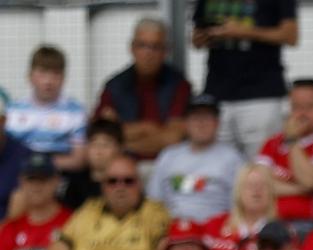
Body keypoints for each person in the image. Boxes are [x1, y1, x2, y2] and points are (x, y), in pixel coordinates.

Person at [192, 0, 298, 158]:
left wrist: (245, 32)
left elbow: (291, 35)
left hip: (262, 96)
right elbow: (196, 38)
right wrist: (207, 36)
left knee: (262, 166)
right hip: (217, 94)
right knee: (218, 167)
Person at [94, 18, 190, 161]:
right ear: (132, 48)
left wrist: (124, 142)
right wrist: (148, 128)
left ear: (166, 51)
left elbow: (173, 138)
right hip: (123, 168)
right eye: (142, 45)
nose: (148, 54)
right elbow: (102, 136)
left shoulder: (178, 85)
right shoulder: (115, 86)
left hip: (167, 165)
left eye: (156, 47)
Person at [255, 79, 313, 226]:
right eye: (297, 107)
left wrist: (293, 140)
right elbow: (258, 184)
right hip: (270, 221)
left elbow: (311, 182)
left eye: (310, 107)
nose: (302, 113)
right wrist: (300, 189)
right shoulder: (272, 142)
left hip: (309, 224)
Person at [147, 95, 243, 223]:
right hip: (173, 229)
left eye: (207, 117)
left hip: (215, 231)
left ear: (217, 123)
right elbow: (154, 201)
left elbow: (240, 207)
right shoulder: (168, 156)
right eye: (196, 118)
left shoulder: (233, 159)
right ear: (185, 124)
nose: (201, 123)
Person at [6, 46, 86, 172]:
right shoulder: (12, 111)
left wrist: (41, 164)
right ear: (30, 76)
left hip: (59, 178)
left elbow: (78, 160)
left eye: (55, 74)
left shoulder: (76, 111)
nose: (48, 81)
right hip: (19, 178)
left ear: (64, 78)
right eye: (42, 72)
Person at [202, 164, 276, 250]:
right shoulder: (215, 224)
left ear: (271, 192)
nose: (256, 190)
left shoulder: (281, 232)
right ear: (239, 191)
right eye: (250, 186)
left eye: (263, 185)